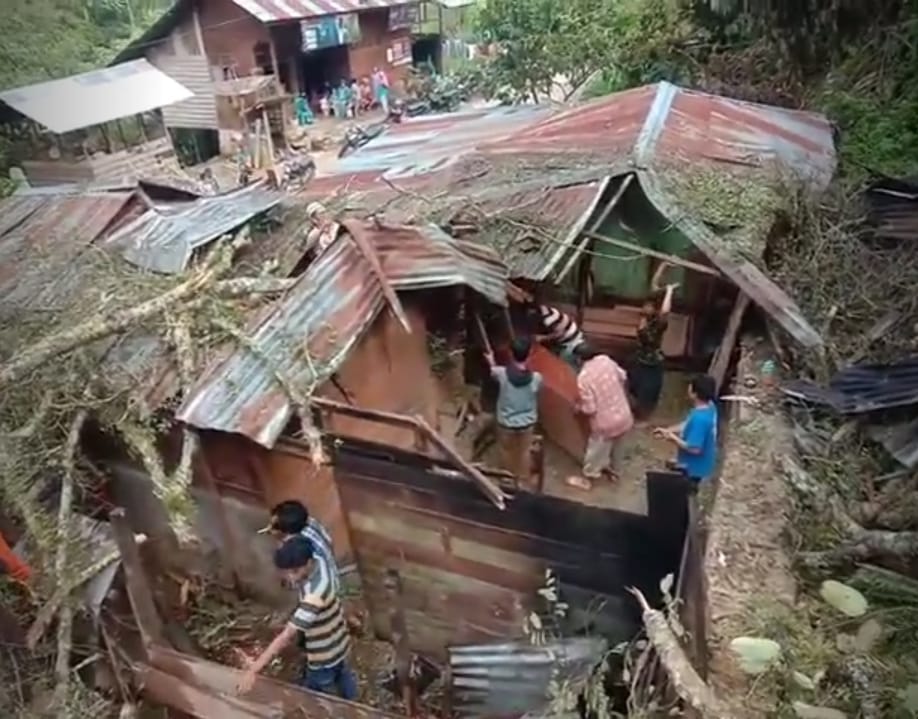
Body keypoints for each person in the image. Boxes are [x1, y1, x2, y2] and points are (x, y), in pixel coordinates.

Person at [236, 536, 357, 699]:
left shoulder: (315, 595)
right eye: (287, 572)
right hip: (339, 638)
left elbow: (286, 636)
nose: (291, 578)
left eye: (295, 572)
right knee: (343, 673)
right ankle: (353, 701)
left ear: (307, 563)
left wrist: (253, 670)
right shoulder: (320, 561)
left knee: (318, 690)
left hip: (323, 655)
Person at [567, 345, 633, 491]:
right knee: (618, 447)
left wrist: (577, 407)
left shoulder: (583, 378)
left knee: (596, 451)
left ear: (579, 360)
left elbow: (590, 409)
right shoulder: (605, 360)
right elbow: (623, 376)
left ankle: (587, 479)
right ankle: (615, 473)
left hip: (605, 424)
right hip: (624, 414)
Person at [483, 337, 542, 482]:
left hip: (506, 423)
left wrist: (490, 359)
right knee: (524, 452)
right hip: (527, 423)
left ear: (510, 353)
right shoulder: (537, 378)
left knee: (506, 451)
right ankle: (522, 478)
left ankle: (506, 478)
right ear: (529, 354)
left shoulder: (502, 374)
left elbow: (493, 371)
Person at [630, 263, 679, 420]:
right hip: (640, 359)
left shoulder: (657, 324)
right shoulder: (646, 317)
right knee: (636, 386)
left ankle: (644, 415)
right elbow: (654, 285)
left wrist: (669, 292)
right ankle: (638, 409)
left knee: (648, 391)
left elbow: (665, 311)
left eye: (649, 306)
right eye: (646, 305)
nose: (645, 306)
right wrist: (663, 266)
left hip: (651, 363)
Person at [654, 374, 718, 488]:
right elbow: (688, 424)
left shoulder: (700, 420)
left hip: (694, 468)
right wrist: (668, 430)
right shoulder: (709, 407)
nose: (688, 388)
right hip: (702, 461)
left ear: (695, 394)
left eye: (690, 386)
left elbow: (694, 449)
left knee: (684, 492)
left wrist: (672, 438)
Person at [259, 500, 337, 577]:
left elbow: (280, 560)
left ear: (289, 533)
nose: (270, 529)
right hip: (329, 561)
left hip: (322, 578)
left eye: (275, 527)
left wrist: (280, 543)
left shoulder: (296, 546)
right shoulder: (307, 521)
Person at [534, 304, 585, 369]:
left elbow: (558, 333)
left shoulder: (548, 320)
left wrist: (542, 338)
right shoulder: (551, 310)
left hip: (571, 340)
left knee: (564, 363)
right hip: (573, 332)